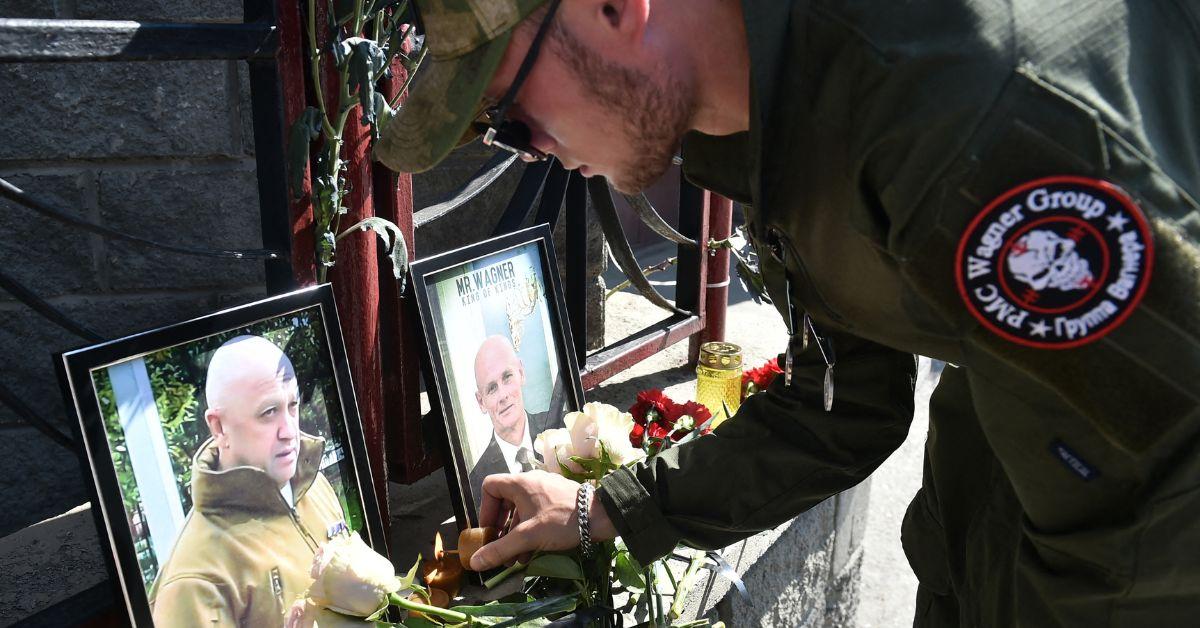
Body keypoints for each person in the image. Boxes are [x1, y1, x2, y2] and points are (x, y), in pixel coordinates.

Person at [376, 0, 1200, 625]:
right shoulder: (763, 103)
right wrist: (609, 509)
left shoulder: (970, 119)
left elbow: (1155, 504)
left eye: (511, 116)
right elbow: (843, 405)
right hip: (994, 535)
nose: (532, 147)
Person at [149, 335, 347, 626]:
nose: (290, 431)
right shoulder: (193, 580)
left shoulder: (313, 484)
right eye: (269, 412)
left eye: (292, 405)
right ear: (219, 427)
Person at [468, 335, 554, 508]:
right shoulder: (477, 482)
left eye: (507, 377)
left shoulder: (562, 428)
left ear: (521, 373)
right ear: (481, 402)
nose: (503, 395)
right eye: (492, 388)